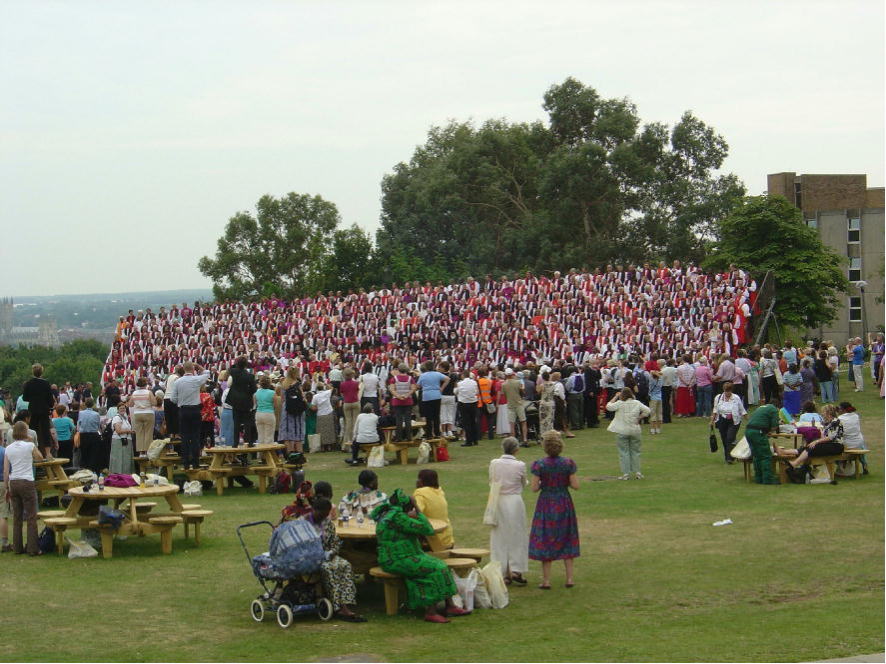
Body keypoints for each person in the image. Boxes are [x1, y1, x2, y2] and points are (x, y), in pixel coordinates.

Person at [371, 489, 470, 623]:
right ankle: (431, 612)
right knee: (436, 568)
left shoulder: (389, 513)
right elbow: (427, 529)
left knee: (440, 565)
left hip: (401, 556)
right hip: (396, 560)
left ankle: (450, 606)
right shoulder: (399, 518)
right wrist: (417, 512)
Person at [301, 497, 367, 622]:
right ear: (314, 510)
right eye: (322, 514)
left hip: (327, 555)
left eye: (326, 514)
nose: (324, 517)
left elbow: (335, 542)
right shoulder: (303, 524)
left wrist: (331, 553)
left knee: (345, 565)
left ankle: (345, 605)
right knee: (329, 568)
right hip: (311, 558)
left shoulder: (327, 523)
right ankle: (337, 606)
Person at [529, 430, 579, 589]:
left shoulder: (540, 464)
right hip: (563, 501)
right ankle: (569, 578)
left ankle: (546, 580)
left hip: (546, 503)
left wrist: (546, 483)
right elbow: (576, 485)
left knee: (546, 537)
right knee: (567, 536)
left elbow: (534, 488)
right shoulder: (568, 463)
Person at [488, 437, 529, 585]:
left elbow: (491, 481)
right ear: (516, 449)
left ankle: (503, 572)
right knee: (517, 535)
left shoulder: (494, 463)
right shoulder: (519, 465)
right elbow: (523, 483)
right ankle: (516, 569)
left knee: (499, 536)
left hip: (498, 501)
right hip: (514, 501)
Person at [3, 421, 44, 555]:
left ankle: (17, 547)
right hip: (27, 481)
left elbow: (6, 470)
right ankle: (32, 548)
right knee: (32, 516)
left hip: (14, 481)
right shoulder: (30, 445)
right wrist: (32, 442)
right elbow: (39, 458)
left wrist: (6, 487)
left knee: (17, 516)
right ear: (25, 432)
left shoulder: (8, 448)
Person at [606, 387, 651, 480]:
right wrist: (640, 417)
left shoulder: (619, 403)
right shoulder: (637, 403)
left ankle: (626, 474)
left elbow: (608, 406)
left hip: (622, 431)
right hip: (635, 430)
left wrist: (615, 396)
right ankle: (638, 472)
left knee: (624, 452)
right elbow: (648, 410)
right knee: (636, 452)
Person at [175, 362, 211, 469]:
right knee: (195, 437)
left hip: (183, 410)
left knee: (185, 438)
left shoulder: (178, 381)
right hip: (195, 410)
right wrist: (199, 366)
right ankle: (195, 463)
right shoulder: (196, 379)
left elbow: (173, 398)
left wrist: (180, 401)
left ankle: (186, 463)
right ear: (193, 369)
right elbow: (207, 373)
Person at [784, 405, 844, 469]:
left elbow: (830, 437)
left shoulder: (836, 422)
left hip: (836, 446)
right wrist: (821, 432)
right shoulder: (828, 423)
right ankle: (784, 452)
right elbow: (824, 437)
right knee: (809, 446)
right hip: (829, 444)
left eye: (823, 412)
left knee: (813, 446)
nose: (822, 414)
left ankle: (795, 463)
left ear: (828, 413)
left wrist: (816, 441)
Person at [413, 469, 453, 551]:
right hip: (447, 538)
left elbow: (416, 513)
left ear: (420, 481)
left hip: (433, 542)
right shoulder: (440, 491)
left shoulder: (420, 492)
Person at [21, 363, 54, 457]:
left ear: (33, 372)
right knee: (45, 431)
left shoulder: (28, 383)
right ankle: (48, 453)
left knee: (32, 430)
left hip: (33, 409)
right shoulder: (46, 383)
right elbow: (50, 399)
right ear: (42, 372)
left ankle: (32, 452)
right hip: (44, 409)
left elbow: (25, 398)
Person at [710, 382, 747, 464]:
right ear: (724, 390)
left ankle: (729, 458)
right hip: (722, 420)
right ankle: (729, 454)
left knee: (729, 438)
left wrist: (748, 420)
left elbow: (742, 409)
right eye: (726, 391)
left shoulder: (736, 397)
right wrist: (712, 421)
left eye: (729, 391)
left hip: (734, 421)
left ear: (731, 390)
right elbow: (715, 410)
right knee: (724, 439)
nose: (728, 393)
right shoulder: (718, 398)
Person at [744, 403, 780, 484]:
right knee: (766, 456)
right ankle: (768, 479)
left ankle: (758, 478)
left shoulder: (761, 407)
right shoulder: (774, 409)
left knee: (756, 455)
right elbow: (774, 426)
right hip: (758, 432)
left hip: (748, 431)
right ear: (778, 407)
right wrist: (770, 432)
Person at [227, 357, 257, 447]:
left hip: (235, 401)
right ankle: (248, 442)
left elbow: (229, 369)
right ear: (245, 365)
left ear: (237, 364)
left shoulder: (233, 372)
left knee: (236, 423)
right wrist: (247, 394)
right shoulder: (250, 376)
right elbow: (254, 389)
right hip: (246, 401)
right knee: (247, 423)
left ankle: (235, 443)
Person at [416, 362, 449, 440]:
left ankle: (429, 434)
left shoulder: (422, 375)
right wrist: (442, 388)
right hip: (436, 395)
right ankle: (437, 433)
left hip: (427, 396)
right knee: (436, 415)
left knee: (428, 416)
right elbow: (447, 379)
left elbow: (418, 386)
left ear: (426, 367)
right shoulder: (437, 374)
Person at [388, 364, 417, 443]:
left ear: (398, 370)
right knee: (408, 419)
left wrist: (398, 396)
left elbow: (392, 389)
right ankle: (409, 436)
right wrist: (407, 395)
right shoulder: (410, 378)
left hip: (397, 401)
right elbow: (413, 388)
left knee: (399, 419)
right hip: (408, 401)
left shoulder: (394, 378)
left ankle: (399, 437)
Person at [128, 377, 156, 457]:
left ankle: (141, 452)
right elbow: (154, 403)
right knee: (148, 432)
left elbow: (130, 404)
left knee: (139, 433)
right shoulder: (149, 392)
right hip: (148, 413)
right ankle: (147, 451)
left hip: (137, 413)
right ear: (146, 384)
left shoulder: (134, 393)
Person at [837, 402, 868, 474]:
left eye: (839, 409)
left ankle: (841, 466)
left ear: (843, 410)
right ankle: (864, 464)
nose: (838, 410)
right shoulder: (856, 416)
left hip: (847, 444)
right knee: (862, 445)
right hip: (858, 443)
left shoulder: (840, 418)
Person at [75, 397, 102, 472]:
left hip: (83, 435)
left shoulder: (81, 413)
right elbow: (98, 425)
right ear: (93, 404)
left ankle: (85, 470)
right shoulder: (96, 414)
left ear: (85, 404)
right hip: (94, 435)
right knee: (93, 454)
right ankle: (93, 470)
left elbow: (78, 424)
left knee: (84, 454)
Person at [455, 369, 479, 447]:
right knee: (473, 421)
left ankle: (468, 441)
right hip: (473, 403)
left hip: (463, 403)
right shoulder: (474, 382)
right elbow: (477, 392)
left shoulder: (460, 383)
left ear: (463, 375)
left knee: (466, 423)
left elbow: (455, 392)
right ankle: (475, 440)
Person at [502, 368, 527, 442]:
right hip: (519, 404)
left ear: (506, 375)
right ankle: (525, 439)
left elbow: (505, 395)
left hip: (510, 405)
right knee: (523, 422)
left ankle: (513, 440)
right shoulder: (518, 382)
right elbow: (522, 393)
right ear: (512, 374)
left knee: (511, 424)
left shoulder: (504, 384)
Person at [109, 402, 134, 475]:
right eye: (121, 408)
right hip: (119, 441)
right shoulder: (117, 418)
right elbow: (118, 430)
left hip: (126, 440)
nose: (122, 409)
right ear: (118, 409)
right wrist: (129, 431)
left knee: (126, 458)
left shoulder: (125, 418)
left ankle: (126, 474)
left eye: (124, 408)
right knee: (119, 458)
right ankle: (118, 474)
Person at [310, 383, 336, 452]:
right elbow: (332, 387)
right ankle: (330, 446)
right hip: (328, 412)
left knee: (320, 431)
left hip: (320, 414)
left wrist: (317, 407)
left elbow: (313, 407)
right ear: (323, 387)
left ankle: (322, 447)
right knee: (329, 430)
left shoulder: (315, 396)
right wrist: (326, 384)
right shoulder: (327, 393)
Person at [253, 375, 277, 445]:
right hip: (269, 413)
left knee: (260, 436)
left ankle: (260, 454)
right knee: (269, 436)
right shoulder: (272, 393)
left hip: (259, 413)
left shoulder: (256, 393)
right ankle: (268, 453)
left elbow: (255, 404)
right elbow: (275, 405)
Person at [339, 369, 361, 445]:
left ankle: (348, 441)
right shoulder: (356, 383)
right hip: (355, 402)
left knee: (348, 423)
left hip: (347, 403)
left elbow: (342, 394)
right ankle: (356, 440)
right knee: (355, 422)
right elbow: (357, 391)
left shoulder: (342, 384)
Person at [646, 369, 663, 434]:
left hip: (653, 398)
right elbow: (661, 374)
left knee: (653, 414)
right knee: (659, 413)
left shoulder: (651, 380)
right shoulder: (660, 380)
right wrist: (657, 373)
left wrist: (654, 372)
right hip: (659, 397)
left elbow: (651, 372)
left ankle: (653, 429)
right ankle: (658, 429)